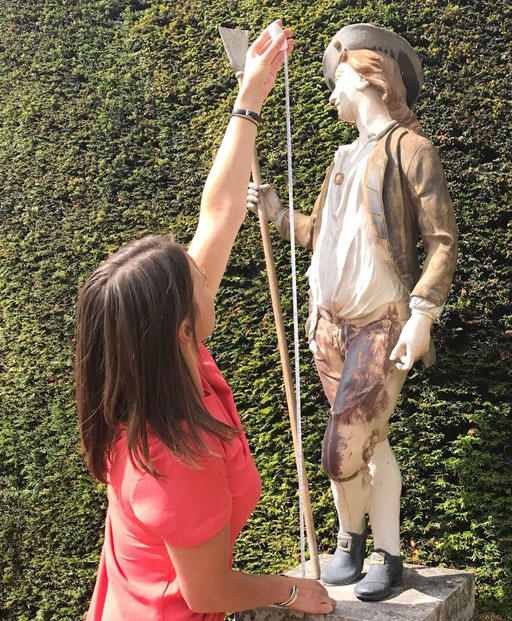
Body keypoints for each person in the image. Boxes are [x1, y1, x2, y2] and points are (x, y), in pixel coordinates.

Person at [76, 22, 335, 620]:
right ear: (180, 329)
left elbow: (218, 211)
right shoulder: (174, 455)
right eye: (195, 279)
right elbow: (207, 592)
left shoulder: (164, 367)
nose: (205, 268)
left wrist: (250, 97)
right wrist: (289, 589)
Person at [247, 24, 457, 601]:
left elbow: (442, 240)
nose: (329, 96)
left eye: (333, 81)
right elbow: (319, 233)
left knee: (341, 445)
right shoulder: (342, 156)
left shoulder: (409, 149)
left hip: (382, 321)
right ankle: (366, 550)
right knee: (373, 441)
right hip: (330, 324)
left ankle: (365, 546)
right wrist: (274, 211)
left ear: (362, 76)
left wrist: (422, 315)